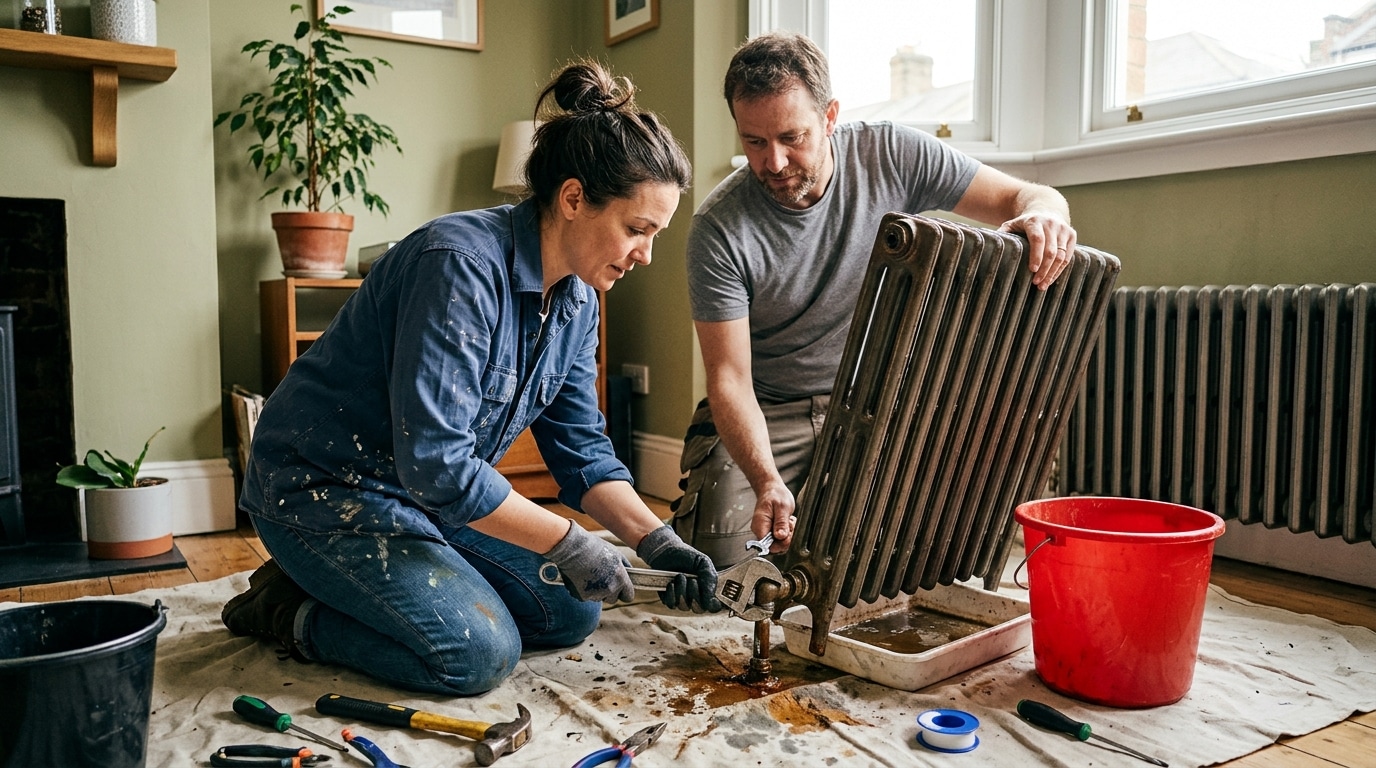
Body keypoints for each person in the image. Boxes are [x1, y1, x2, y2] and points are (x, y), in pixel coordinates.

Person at [222, 60, 720, 697]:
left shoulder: (579, 302)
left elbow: (583, 453)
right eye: (637, 229)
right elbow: (438, 463)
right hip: (323, 491)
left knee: (569, 610)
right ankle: (291, 613)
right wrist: (569, 540)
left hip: (423, 497)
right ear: (573, 199)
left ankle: (356, 589)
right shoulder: (457, 264)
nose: (645, 255)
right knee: (478, 653)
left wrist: (656, 540)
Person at [672, 32, 1079, 569]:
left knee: (911, 557)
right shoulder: (718, 229)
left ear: (831, 116)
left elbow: (1025, 196)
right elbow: (728, 378)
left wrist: (1048, 214)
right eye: (754, 142)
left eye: (792, 137)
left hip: (878, 401)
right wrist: (766, 479)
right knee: (723, 563)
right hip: (773, 412)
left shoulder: (890, 153)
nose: (773, 162)